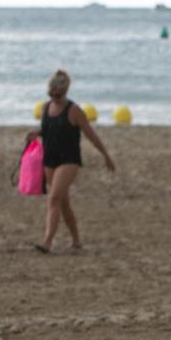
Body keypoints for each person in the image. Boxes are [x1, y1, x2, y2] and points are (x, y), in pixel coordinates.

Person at [26, 70, 115, 253]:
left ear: (65, 91)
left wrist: (105, 155)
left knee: (54, 198)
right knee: (63, 202)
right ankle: (76, 240)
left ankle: (47, 242)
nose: (55, 97)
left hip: (69, 160)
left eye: (58, 95)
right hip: (49, 160)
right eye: (52, 94)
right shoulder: (45, 108)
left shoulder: (74, 111)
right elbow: (49, 130)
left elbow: (90, 135)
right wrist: (37, 134)